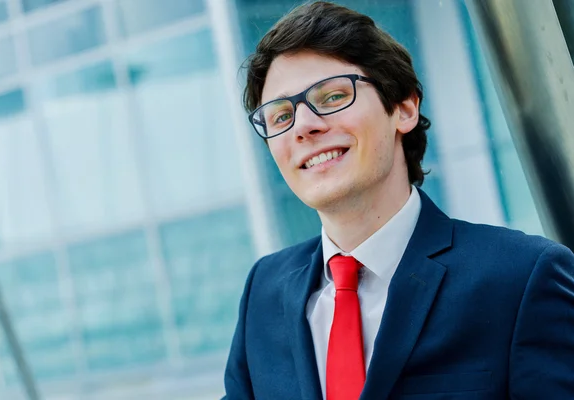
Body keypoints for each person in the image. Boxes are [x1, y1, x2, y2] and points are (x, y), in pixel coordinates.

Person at [223, 2, 574, 399]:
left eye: (333, 95)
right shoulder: (263, 292)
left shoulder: (522, 278)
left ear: (404, 108)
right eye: (280, 116)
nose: (303, 126)